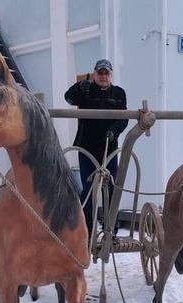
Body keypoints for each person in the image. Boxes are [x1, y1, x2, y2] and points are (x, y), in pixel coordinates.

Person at [64, 59, 128, 236]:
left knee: (111, 187)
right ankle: (87, 228)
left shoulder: (119, 93)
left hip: (110, 147)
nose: (103, 76)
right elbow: (68, 98)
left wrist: (113, 132)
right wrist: (78, 87)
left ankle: (110, 228)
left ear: (111, 75)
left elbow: (124, 118)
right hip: (87, 148)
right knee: (89, 187)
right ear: (95, 74)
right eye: (100, 73)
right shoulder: (85, 90)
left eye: (106, 73)